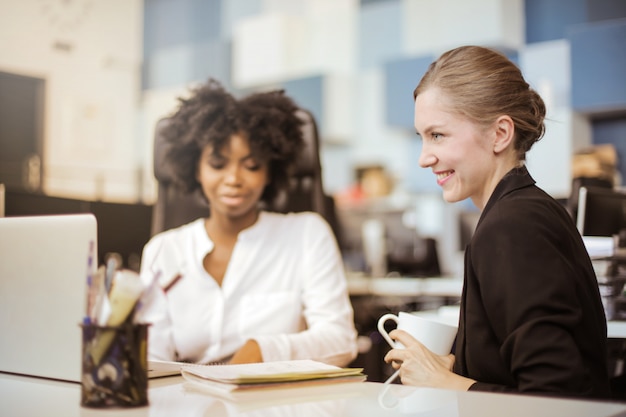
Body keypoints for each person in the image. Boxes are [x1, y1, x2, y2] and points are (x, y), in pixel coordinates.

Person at [384, 45, 611, 399]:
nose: (424, 158)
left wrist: (445, 383)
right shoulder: (528, 210)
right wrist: (453, 369)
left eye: (438, 135)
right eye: (422, 137)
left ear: (500, 134)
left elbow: (557, 396)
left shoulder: (511, 226)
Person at [139, 79, 358, 366]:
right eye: (218, 164)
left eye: (252, 166)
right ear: (196, 169)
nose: (233, 179)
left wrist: (262, 349)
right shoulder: (163, 250)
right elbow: (152, 360)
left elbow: (340, 340)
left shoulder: (306, 235)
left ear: (270, 172)